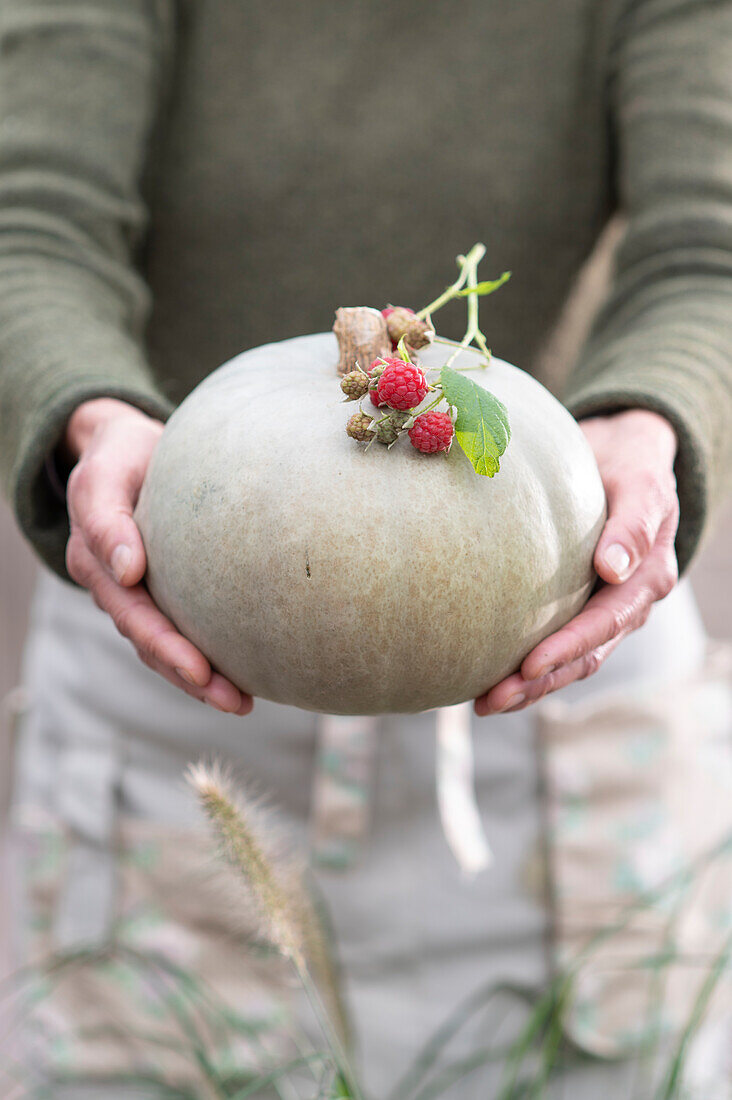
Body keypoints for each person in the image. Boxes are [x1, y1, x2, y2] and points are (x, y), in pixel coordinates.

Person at [1, 1, 731, 1096]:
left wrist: (651, 415)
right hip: (172, 687)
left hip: (556, 685)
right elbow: (32, 219)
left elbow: (708, 247)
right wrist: (93, 417)